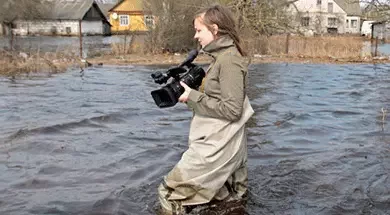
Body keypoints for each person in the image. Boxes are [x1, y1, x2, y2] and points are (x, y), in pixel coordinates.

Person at [158, 4, 254, 215]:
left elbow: (232, 110)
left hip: (219, 145)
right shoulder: (222, 58)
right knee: (225, 202)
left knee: (168, 192)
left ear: (215, 29)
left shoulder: (229, 61)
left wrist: (192, 96)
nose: (195, 35)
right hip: (221, 142)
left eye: (199, 30)